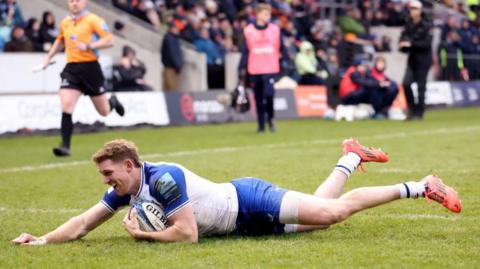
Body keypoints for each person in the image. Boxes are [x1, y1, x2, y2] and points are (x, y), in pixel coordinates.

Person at [12, 138, 461, 245]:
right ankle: (350, 157)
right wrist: (44, 239)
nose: (106, 181)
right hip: (244, 224)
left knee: (331, 215)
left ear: (130, 166)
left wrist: (144, 235)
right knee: (321, 210)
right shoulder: (129, 189)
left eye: (110, 173)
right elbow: (86, 220)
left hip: (248, 200)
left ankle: (421, 186)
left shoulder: (162, 178)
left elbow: (186, 235)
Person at [40, 0, 125, 157]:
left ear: (84, 2)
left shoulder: (93, 20)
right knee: (66, 106)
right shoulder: (65, 22)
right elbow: (60, 40)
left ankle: (112, 101)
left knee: (104, 112)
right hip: (72, 69)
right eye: (71, 0)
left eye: (77, 0)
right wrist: (48, 57)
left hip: (91, 68)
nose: (74, 3)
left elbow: (109, 40)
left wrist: (89, 46)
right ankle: (65, 146)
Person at [239, 3, 289, 133]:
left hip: (270, 68)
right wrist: (241, 68)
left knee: (269, 94)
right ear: (258, 15)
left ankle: (271, 119)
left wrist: (286, 61)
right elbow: (245, 51)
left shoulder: (275, 29)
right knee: (258, 98)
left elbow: (282, 48)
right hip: (255, 68)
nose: (268, 16)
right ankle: (261, 125)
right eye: (266, 14)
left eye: (269, 14)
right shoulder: (249, 31)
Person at [399, 0, 433, 120]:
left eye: (414, 8)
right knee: (406, 83)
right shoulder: (408, 23)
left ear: (420, 10)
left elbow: (426, 44)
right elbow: (403, 38)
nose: (412, 11)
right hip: (412, 58)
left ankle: (419, 113)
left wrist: (411, 44)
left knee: (421, 86)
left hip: (423, 60)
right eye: (411, 9)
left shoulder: (427, 24)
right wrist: (402, 45)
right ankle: (411, 109)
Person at [161, 22, 183, 91]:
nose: (178, 30)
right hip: (171, 68)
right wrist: (177, 66)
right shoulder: (170, 39)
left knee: (168, 89)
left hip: (172, 67)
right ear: (172, 29)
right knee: (173, 89)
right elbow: (173, 53)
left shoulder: (173, 38)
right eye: (176, 29)